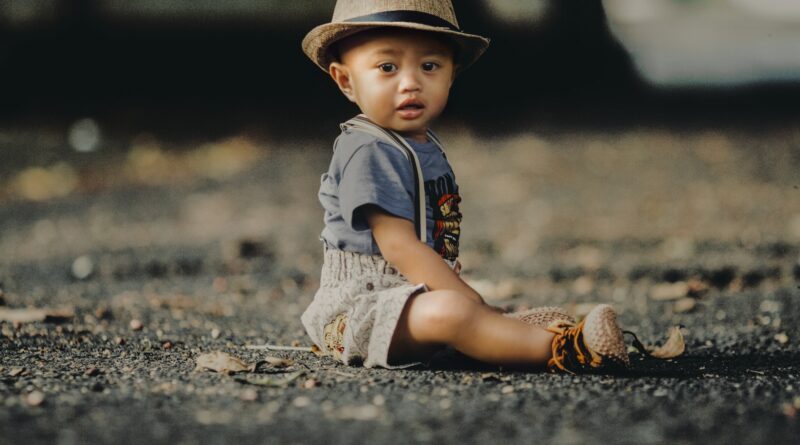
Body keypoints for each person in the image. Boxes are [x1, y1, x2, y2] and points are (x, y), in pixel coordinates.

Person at [300, 0, 630, 373]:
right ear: (346, 80)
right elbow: (398, 246)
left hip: (411, 295)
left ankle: (497, 334)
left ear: (450, 75)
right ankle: (565, 350)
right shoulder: (368, 149)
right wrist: (470, 299)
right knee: (452, 311)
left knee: (455, 310)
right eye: (387, 67)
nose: (410, 82)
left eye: (429, 66)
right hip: (360, 310)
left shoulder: (422, 144)